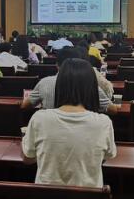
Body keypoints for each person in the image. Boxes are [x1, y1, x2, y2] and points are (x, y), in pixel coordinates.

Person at [22, 58, 116, 187]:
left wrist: (25, 139)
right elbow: (104, 157)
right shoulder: (103, 123)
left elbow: (28, 159)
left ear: (59, 85)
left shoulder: (39, 118)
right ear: (92, 88)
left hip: (45, 197)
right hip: (89, 198)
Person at [21, 47, 117, 114]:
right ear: (79, 63)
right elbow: (112, 109)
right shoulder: (89, 84)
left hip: (51, 131)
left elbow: (25, 105)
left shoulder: (44, 83)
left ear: (57, 65)